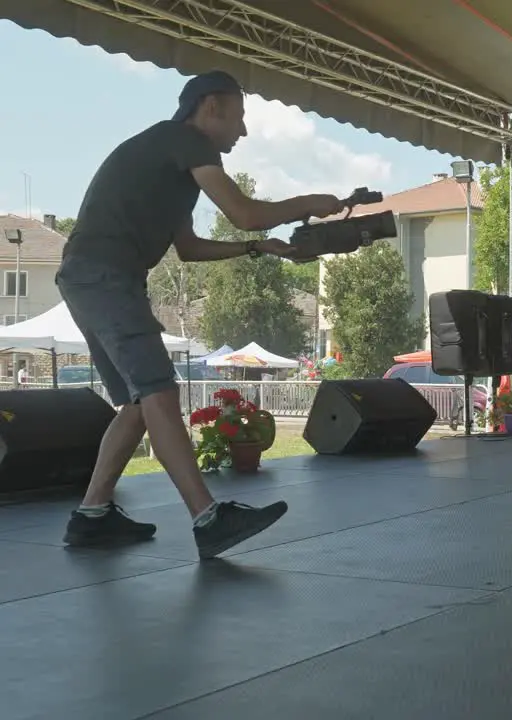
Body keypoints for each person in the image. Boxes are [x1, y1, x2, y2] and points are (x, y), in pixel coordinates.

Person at [57, 70, 346, 559]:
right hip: (106, 277)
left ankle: (92, 515)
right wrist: (309, 203)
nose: (243, 132)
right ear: (210, 107)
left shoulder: (170, 159)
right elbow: (245, 212)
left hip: (88, 277)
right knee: (157, 391)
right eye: (239, 117)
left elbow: (188, 249)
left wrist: (258, 249)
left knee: (135, 403)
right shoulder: (186, 141)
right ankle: (208, 518)